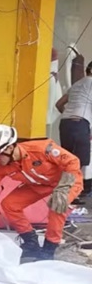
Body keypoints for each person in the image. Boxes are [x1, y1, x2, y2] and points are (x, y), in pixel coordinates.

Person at [0, 125, 83, 262]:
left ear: (10, 148)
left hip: (67, 181)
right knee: (9, 204)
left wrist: (64, 187)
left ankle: (49, 248)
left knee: (57, 205)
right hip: (38, 185)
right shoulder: (4, 165)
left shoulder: (42, 149)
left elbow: (72, 161)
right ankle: (30, 241)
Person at [56, 61, 92, 198]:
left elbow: (59, 104)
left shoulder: (76, 84)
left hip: (65, 123)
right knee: (79, 161)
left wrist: (70, 116)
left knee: (68, 159)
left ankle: (65, 192)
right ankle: (73, 194)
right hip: (80, 123)